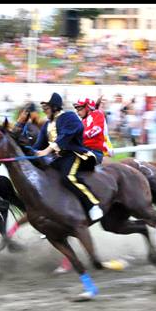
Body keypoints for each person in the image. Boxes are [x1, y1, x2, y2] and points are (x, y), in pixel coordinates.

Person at [32, 93, 103, 222]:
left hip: (74, 154)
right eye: (43, 109)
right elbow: (38, 144)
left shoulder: (69, 117)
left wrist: (47, 150)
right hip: (58, 159)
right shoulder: (47, 125)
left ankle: (92, 205)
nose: (44, 111)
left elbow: (65, 136)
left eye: (46, 109)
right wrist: (28, 152)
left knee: (67, 177)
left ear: (55, 107)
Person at [75, 97, 113, 164]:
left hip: (98, 150)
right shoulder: (83, 120)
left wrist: (79, 136)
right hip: (87, 149)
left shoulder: (97, 113)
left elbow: (97, 129)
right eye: (76, 109)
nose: (78, 112)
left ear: (87, 108)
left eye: (79, 109)